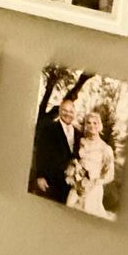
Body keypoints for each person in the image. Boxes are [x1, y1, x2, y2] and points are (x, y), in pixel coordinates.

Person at [30, 72, 83, 203]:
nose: (68, 114)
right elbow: (40, 153)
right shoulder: (49, 129)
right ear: (59, 111)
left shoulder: (78, 134)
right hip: (50, 183)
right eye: (64, 110)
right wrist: (40, 176)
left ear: (74, 113)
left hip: (69, 186)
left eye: (71, 111)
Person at [67, 111, 115, 218]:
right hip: (77, 186)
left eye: (95, 123)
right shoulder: (81, 142)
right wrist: (74, 172)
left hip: (93, 189)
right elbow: (75, 160)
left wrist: (93, 182)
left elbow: (110, 175)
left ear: (99, 125)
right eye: (88, 123)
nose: (92, 125)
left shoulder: (105, 148)